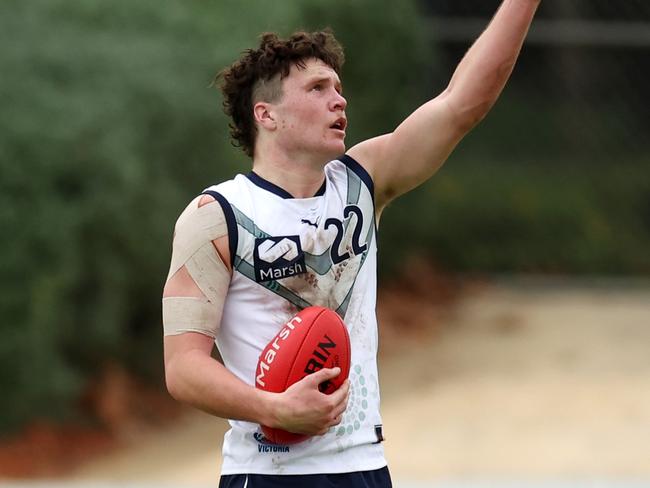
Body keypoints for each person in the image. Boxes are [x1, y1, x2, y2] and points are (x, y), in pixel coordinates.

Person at [162, 1, 541, 486]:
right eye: (317, 89)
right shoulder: (216, 217)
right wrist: (275, 408)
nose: (339, 100)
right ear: (267, 114)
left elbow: (462, 103)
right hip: (269, 472)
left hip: (363, 466)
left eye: (339, 89)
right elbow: (183, 368)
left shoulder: (362, 182)